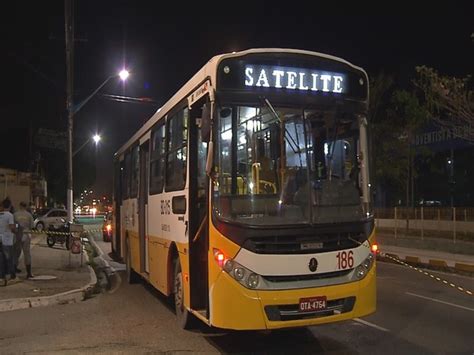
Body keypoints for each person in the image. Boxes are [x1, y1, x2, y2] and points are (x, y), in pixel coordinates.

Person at [14, 202, 35, 279]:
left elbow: (14, 225)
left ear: (20, 206)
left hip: (18, 235)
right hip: (26, 234)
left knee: (16, 253)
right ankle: (29, 272)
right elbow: (32, 226)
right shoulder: (29, 215)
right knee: (27, 253)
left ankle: (14, 270)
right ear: (25, 207)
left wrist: (17, 229)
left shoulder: (15, 214)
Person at [0, 198, 18, 285]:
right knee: (9, 259)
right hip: (7, 240)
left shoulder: (0, 215)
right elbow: (12, 227)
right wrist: (15, 230)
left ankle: (2, 278)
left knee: (2, 260)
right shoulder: (10, 215)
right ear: (10, 206)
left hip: (1, 239)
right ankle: (12, 276)